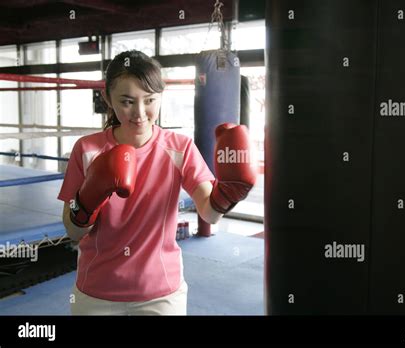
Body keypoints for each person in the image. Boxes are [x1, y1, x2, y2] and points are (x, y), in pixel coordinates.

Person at [57, 50, 256, 315]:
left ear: (161, 96)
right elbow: (74, 232)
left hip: (161, 294)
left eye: (149, 100)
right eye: (126, 101)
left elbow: (209, 213)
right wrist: (87, 200)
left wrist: (230, 191)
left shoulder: (179, 148)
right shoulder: (87, 149)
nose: (139, 113)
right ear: (107, 98)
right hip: (96, 292)